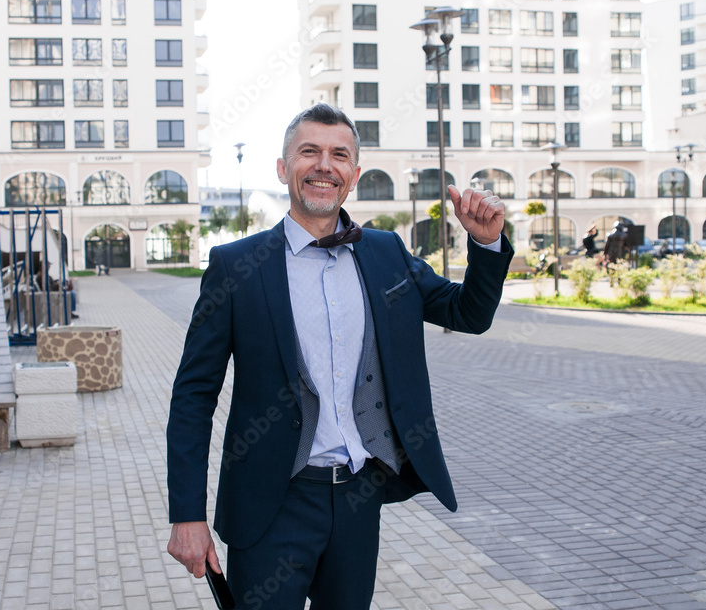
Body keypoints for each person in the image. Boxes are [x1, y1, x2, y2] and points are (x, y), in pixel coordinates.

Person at [165, 103, 514, 610]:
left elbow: (468, 313)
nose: (324, 165)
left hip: (358, 499)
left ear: (353, 174)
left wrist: (486, 244)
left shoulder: (386, 252)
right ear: (283, 168)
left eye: (339, 155)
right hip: (269, 505)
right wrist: (187, 514)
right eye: (309, 151)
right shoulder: (235, 266)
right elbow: (193, 396)